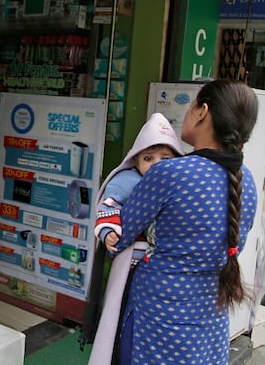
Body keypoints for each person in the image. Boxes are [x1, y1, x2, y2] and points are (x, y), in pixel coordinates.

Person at [110, 79, 259, 365]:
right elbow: (232, 246)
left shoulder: (168, 173)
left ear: (202, 111)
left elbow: (120, 236)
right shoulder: (246, 182)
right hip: (210, 323)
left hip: (155, 321)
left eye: (192, 106)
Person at [84, 113, 184, 363]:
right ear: (135, 160)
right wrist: (108, 233)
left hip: (159, 269)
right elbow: (108, 208)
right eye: (148, 158)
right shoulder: (127, 181)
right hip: (130, 262)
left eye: (166, 158)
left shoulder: (181, 186)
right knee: (119, 312)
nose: (156, 164)